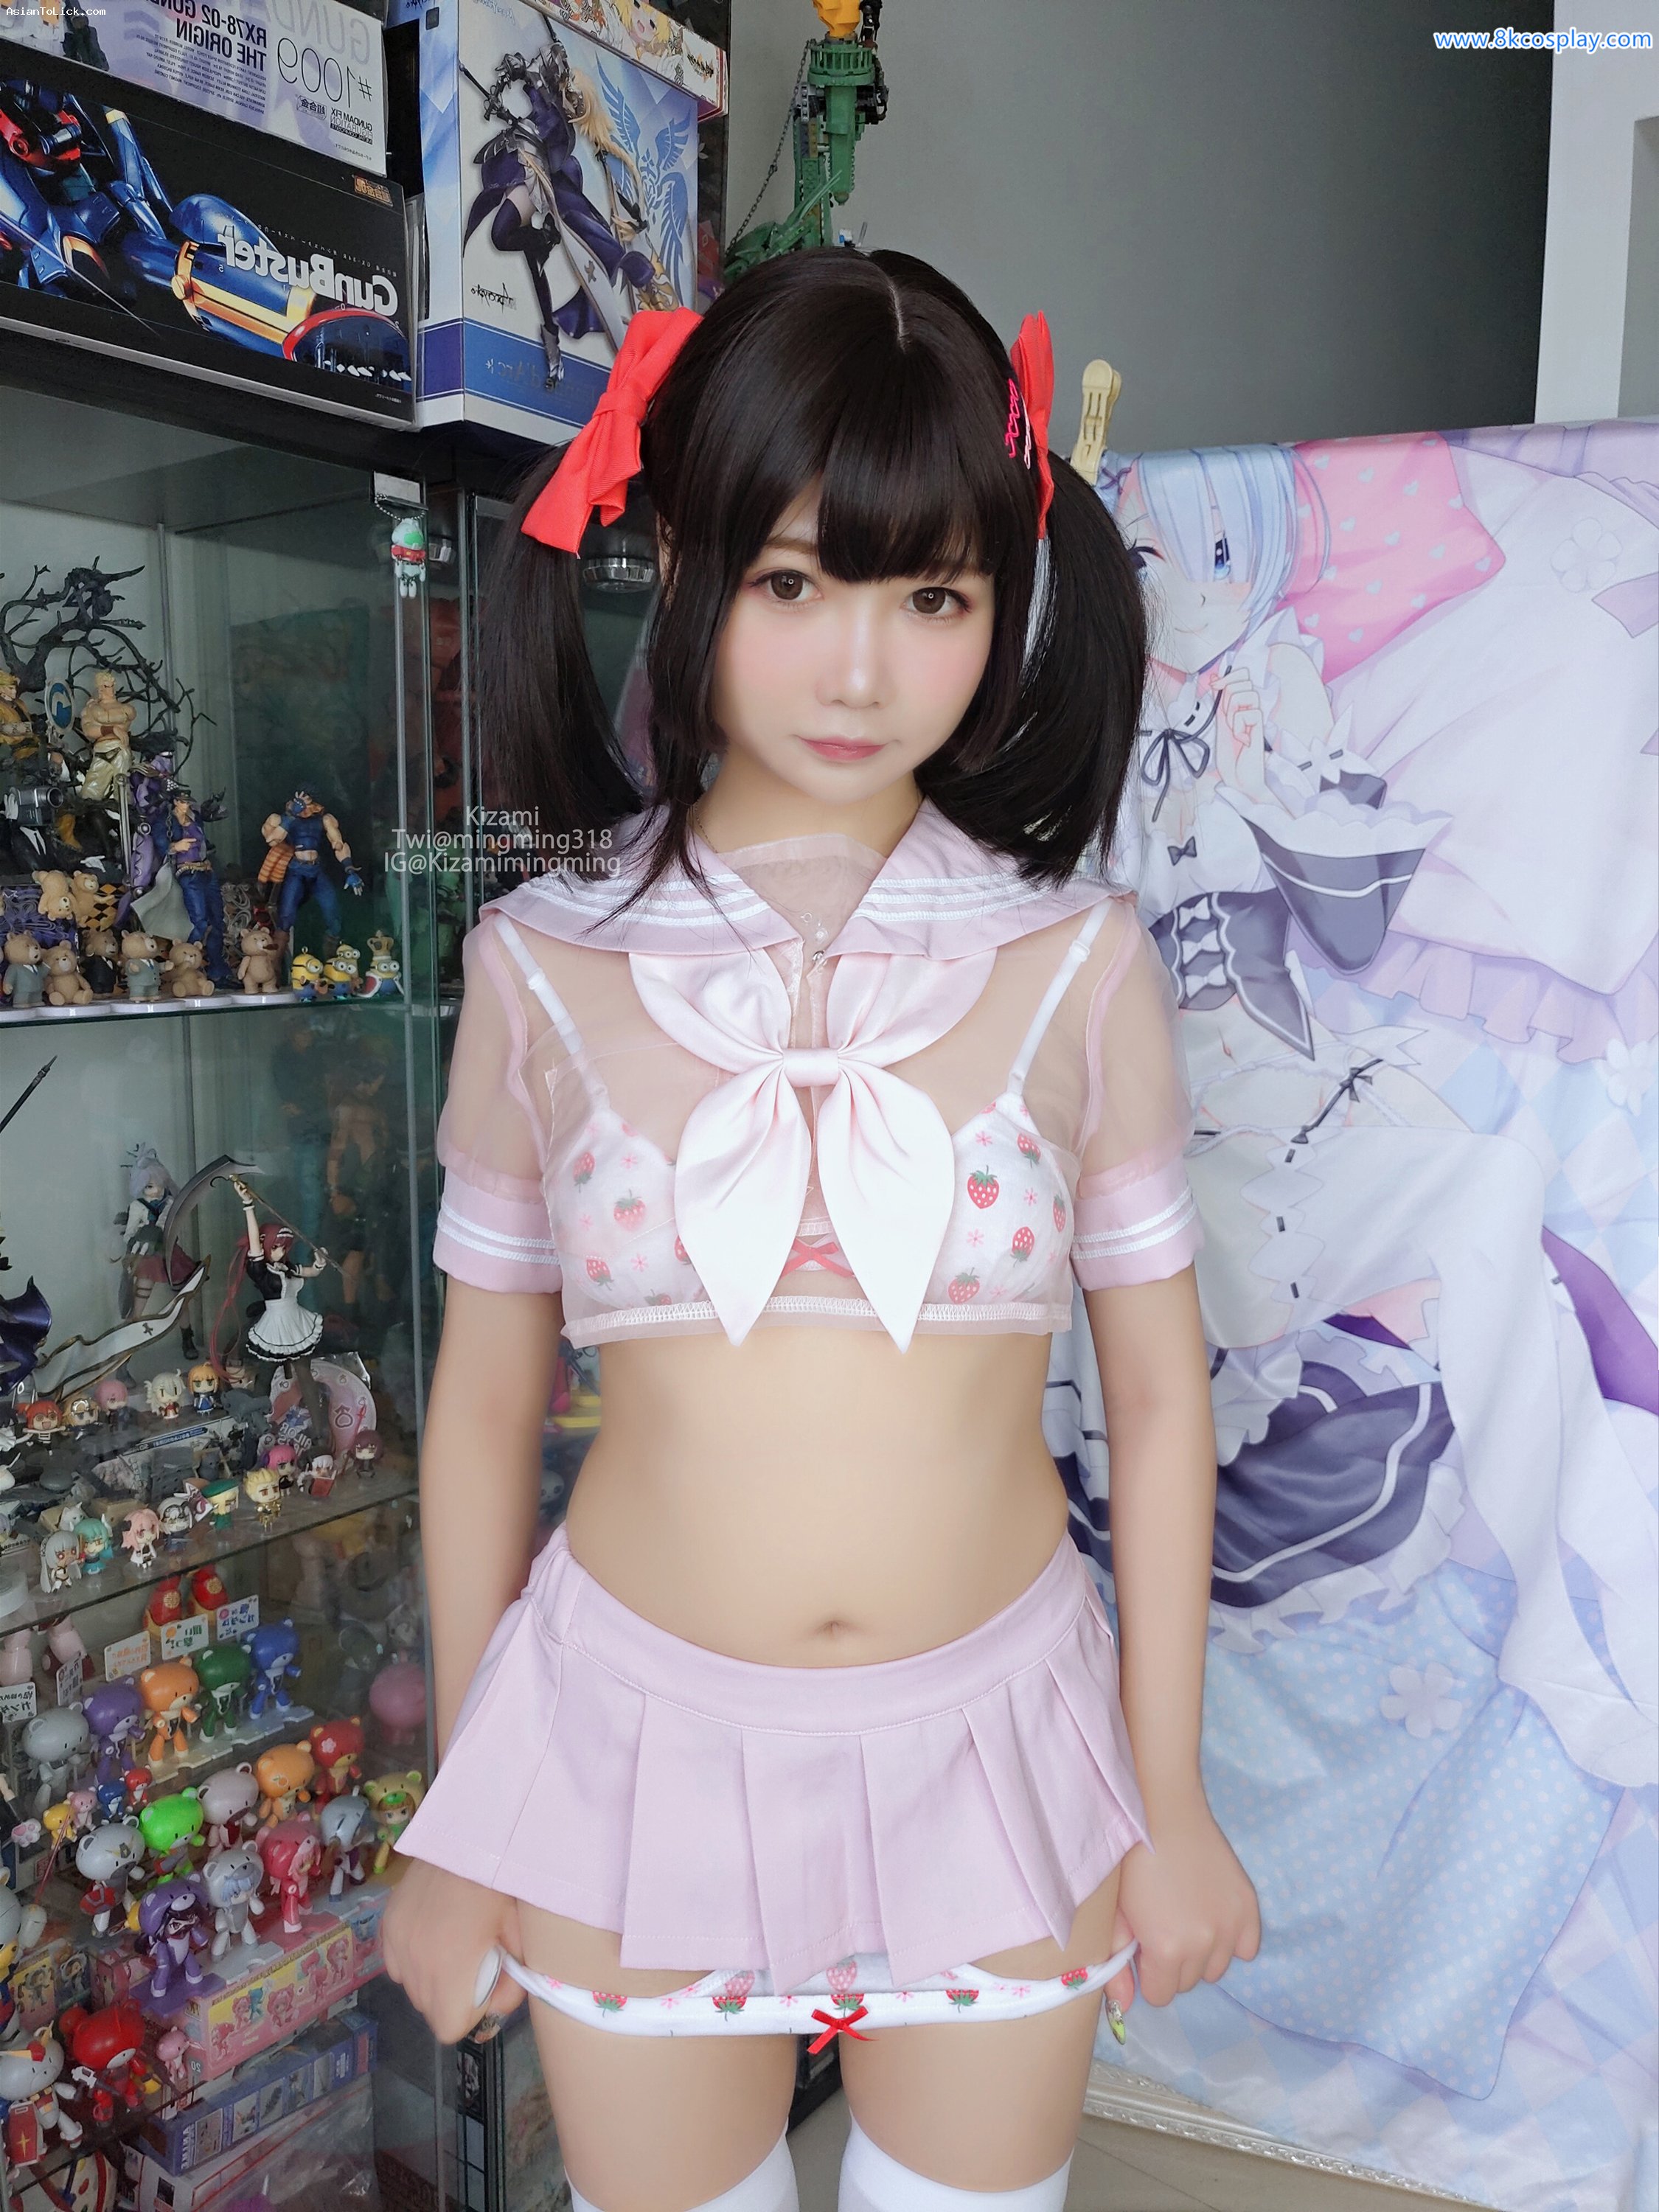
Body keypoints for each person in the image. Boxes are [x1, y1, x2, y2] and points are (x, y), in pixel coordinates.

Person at [383, 249, 1259, 2212]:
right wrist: (462, 1815)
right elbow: (481, 1411)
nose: (862, 671)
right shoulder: (539, 965)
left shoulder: (1077, 963)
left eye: (932, 596)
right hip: (622, 1749)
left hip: (1000, 1746)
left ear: (1005, 600)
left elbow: (1158, 1402)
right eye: (792, 585)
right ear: (679, 559)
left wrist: (1172, 1793)